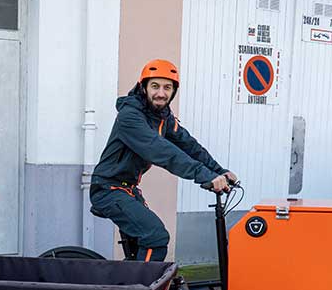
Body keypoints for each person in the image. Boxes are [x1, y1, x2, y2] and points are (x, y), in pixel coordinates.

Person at [90, 59, 237, 262]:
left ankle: (127, 285)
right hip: (108, 189)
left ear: (174, 91)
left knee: (141, 246)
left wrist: (219, 171)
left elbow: (189, 145)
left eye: (167, 87)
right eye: (155, 86)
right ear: (143, 87)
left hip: (128, 189)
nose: (161, 93)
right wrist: (205, 176)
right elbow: (163, 151)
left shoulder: (162, 117)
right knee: (155, 238)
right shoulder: (130, 116)